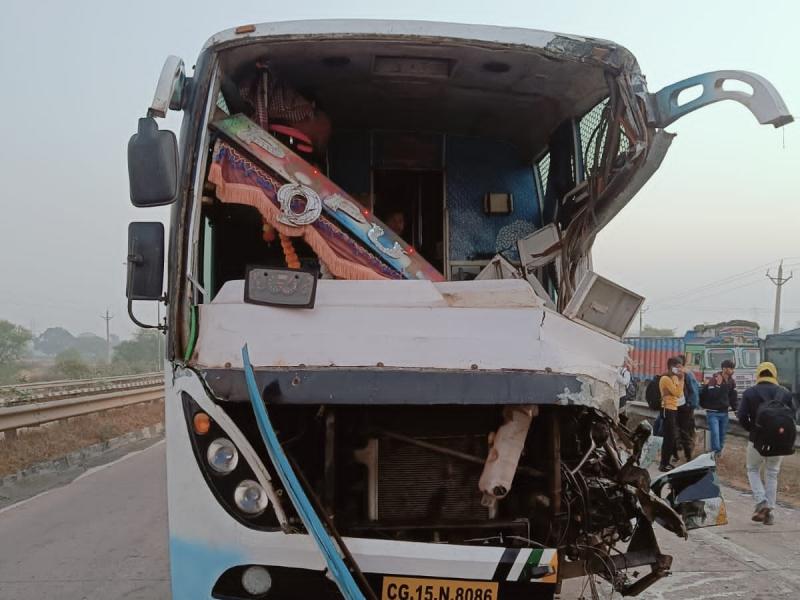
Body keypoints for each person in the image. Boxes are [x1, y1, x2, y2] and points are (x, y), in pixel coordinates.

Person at [736, 362, 797, 525]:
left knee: (752, 469)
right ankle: (769, 511)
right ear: (774, 374)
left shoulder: (750, 393)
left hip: (757, 440)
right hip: (779, 441)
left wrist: (753, 429)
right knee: (772, 472)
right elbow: (793, 416)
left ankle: (761, 501)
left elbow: (741, 416)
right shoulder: (784, 393)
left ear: (758, 374)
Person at [700, 359, 738, 457]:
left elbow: (733, 397)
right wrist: (718, 385)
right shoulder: (714, 380)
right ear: (724, 369)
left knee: (722, 435)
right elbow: (712, 395)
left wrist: (736, 410)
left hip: (724, 412)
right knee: (715, 434)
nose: (732, 370)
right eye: (731, 368)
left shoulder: (731, 381)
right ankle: (715, 452)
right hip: (713, 412)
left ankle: (718, 453)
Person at [658, 357, 685, 472]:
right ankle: (663, 464)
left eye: (681, 367)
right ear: (671, 367)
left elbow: (679, 393)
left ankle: (666, 461)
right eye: (678, 367)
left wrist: (676, 387)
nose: (680, 370)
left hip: (674, 408)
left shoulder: (674, 378)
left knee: (671, 437)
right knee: (669, 438)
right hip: (667, 409)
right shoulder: (665, 378)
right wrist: (682, 379)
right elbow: (678, 393)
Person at [676, 355, 699, 462]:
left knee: (686, 431)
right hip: (680, 406)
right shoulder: (680, 374)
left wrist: (690, 405)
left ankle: (688, 455)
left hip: (686, 407)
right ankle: (681, 453)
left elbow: (693, 391)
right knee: (681, 430)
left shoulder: (688, 374)